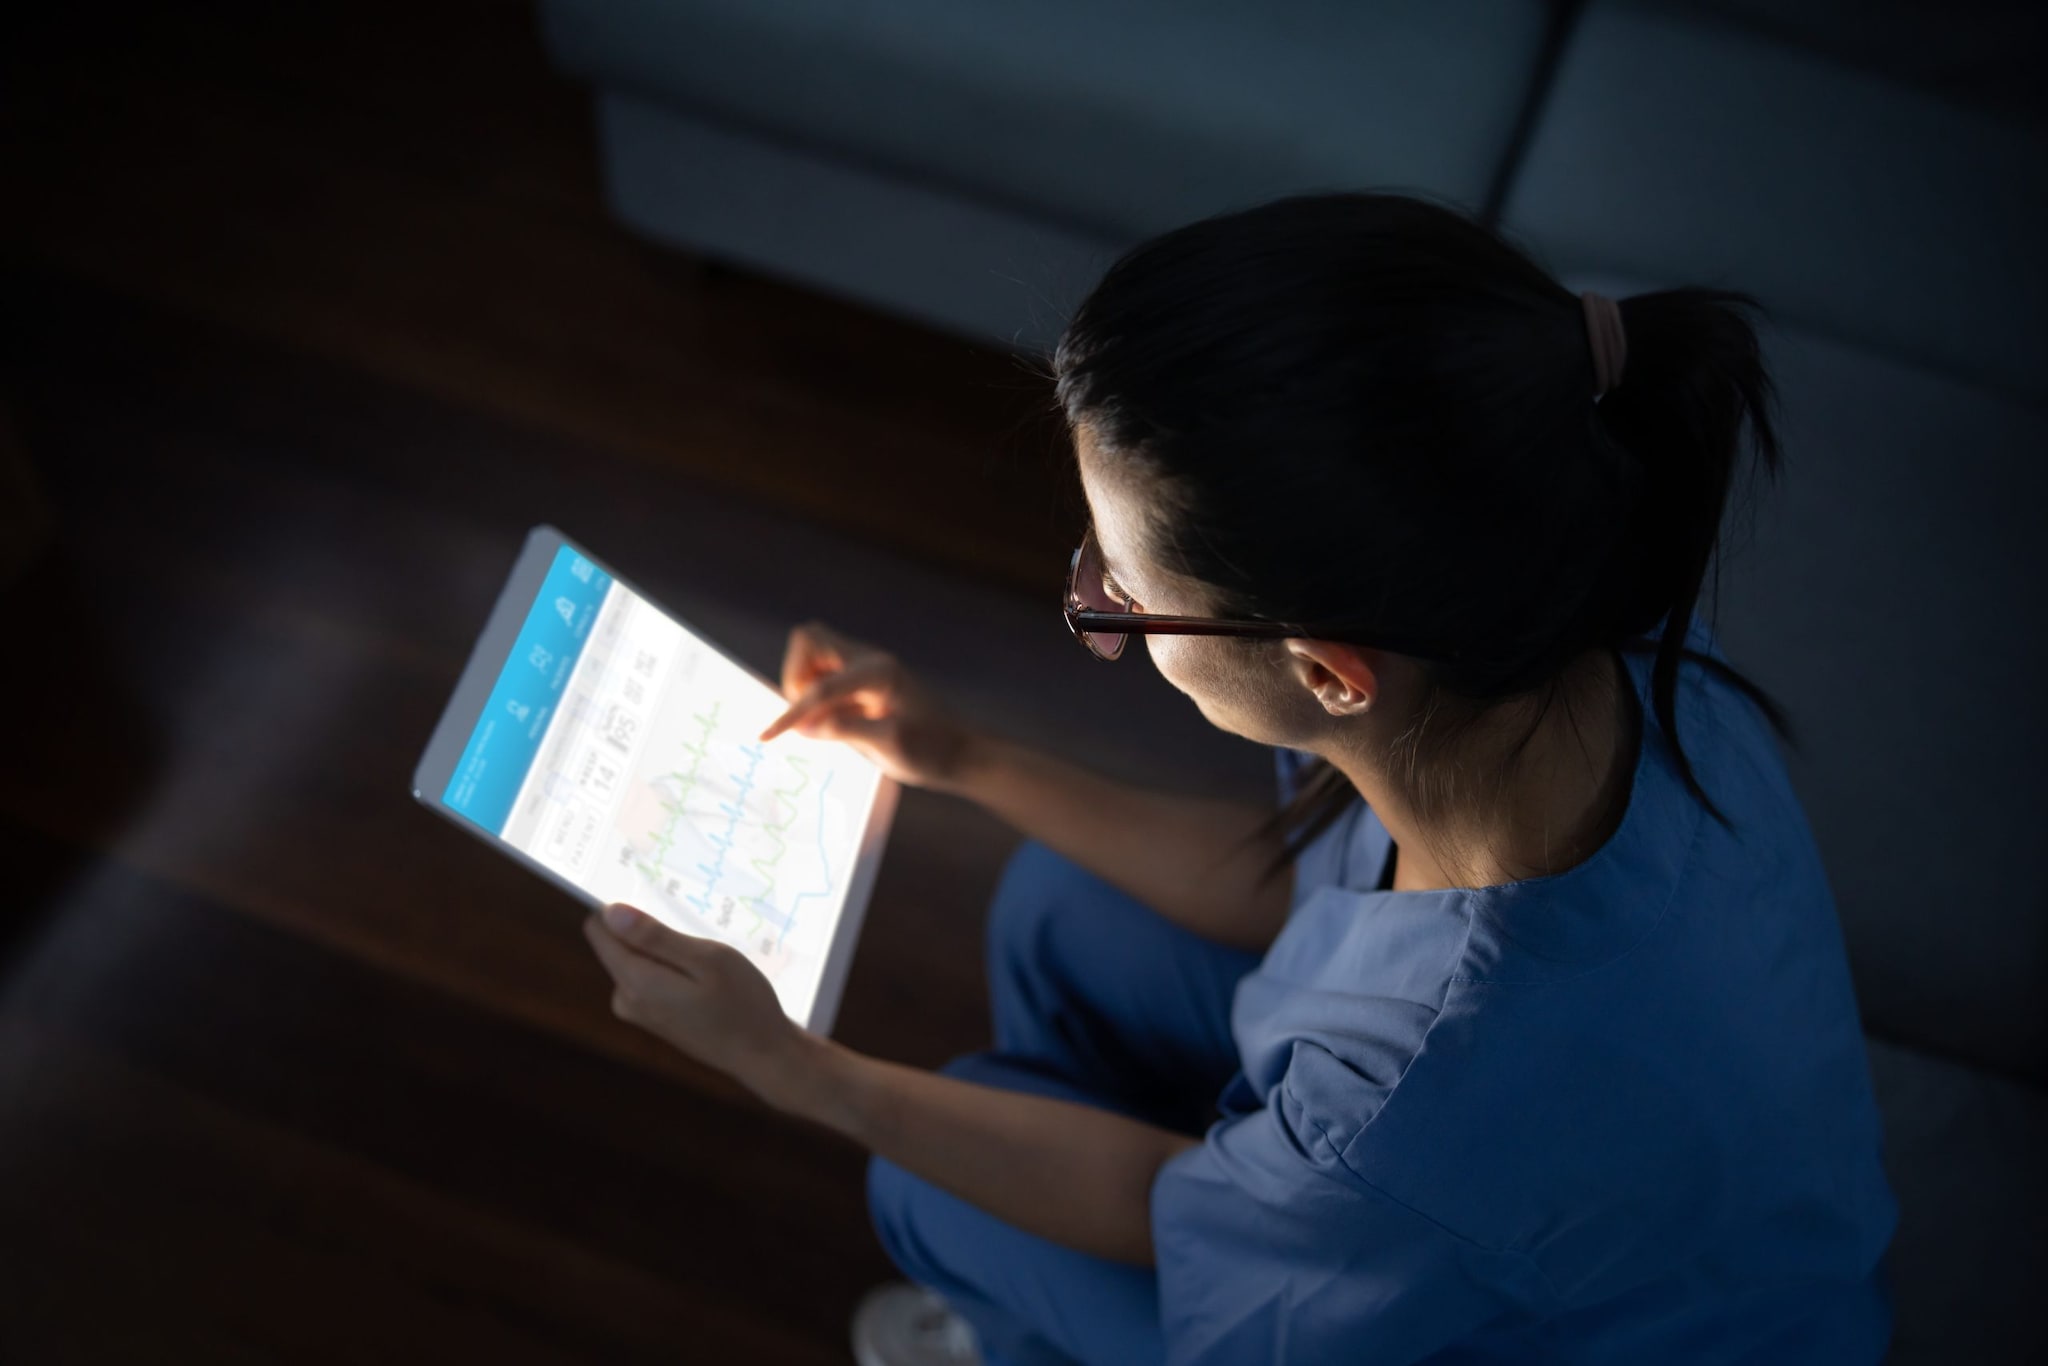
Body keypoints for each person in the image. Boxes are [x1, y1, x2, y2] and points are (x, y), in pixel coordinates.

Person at [580, 191, 1898, 1365]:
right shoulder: (1559, 619)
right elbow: (1336, 894)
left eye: (1124, 600)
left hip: (1525, 1280)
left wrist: (798, 1067)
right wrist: (960, 756)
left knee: (927, 1186)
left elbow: (1166, 1204)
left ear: (1328, 671)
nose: (1095, 603)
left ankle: (1021, 1314)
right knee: (1053, 898)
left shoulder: (1418, 1105)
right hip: (1547, 1185)